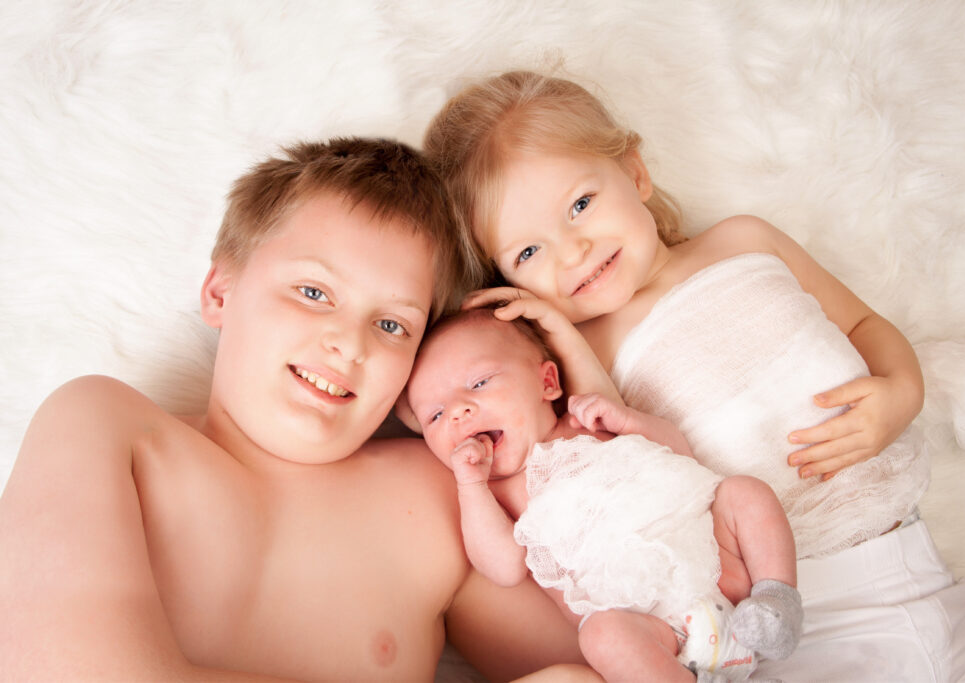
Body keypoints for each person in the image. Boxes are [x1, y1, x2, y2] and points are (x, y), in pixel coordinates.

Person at [422, 70, 965, 680]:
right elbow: (610, 449)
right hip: (790, 614)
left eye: (581, 205)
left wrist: (901, 391)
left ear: (635, 173)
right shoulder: (582, 359)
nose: (572, 252)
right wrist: (558, 331)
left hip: (923, 568)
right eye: (529, 253)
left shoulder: (744, 241)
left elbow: (864, 323)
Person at [0, 137, 592, 682]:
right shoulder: (105, 425)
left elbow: (618, 661)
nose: (350, 343)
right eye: (314, 293)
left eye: (391, 324)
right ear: (219, 292)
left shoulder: (443, 495)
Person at [401, 308, 803, 682]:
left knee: (744, 492)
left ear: (547, 383)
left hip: (726, 572)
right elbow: (503, 568)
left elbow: (679, 455)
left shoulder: (587, 421)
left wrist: (629, 420)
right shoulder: (495, 492)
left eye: (479, 383)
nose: (457, 411)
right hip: (659, 631)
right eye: (434, 415)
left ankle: (777, 602)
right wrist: (470, 486)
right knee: (601, 636)